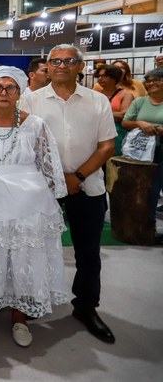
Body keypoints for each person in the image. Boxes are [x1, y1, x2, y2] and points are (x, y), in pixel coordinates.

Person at [20, 44, 117, 344]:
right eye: (55, 61)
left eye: (69, 61)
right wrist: (55, 177)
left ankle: (86, 307)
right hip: (42, 187)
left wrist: (76, 176)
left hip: (86, 185)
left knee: (88, 253)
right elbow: (23, 145)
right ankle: (33, 302)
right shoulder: (30, 100)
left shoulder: (98, 101)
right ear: (47, 67)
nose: (61, 65)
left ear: (80, 67)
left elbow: (107, 147)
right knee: (34, 248)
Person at [0, 66, 68, 347]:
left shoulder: (35, 124)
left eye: (10, 88)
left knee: (24, 257)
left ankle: (20, 316)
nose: (3, 93)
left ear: (20, 92)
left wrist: (54, 195)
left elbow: (48, 162)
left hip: (26, 202)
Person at [121, 68, 163, 218]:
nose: (151, 83)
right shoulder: (140, 101)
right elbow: (126, 123)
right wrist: (140, 123)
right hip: (141, 149)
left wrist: (156, 129)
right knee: (145, 190)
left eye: (156, 80)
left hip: (161, 148)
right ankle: (146, 228)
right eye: (149, 80)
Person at [94, 65, 134, 152]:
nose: (100, 78)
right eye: (99, 76)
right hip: (95, 133)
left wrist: (97, 115)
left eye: (104, 76)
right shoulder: (93, 94)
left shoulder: (125, 94)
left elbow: (123, 115)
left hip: (117, 134)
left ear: (115, 78)